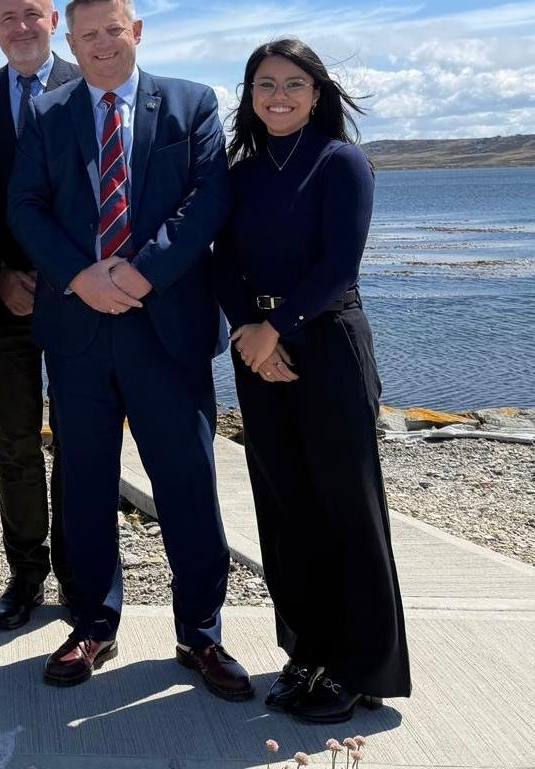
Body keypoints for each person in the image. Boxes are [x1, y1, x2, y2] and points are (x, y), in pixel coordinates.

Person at [9, 0, 251, 699]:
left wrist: (141, 276)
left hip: (165, 327)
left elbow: (208, 198)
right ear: (70, 42)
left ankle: (200, 635)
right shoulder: (48, 114)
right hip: (78, 332)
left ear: (136, 29)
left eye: (112, 31)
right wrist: (80, 277)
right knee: (83, 485)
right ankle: (91, 625)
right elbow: (25, 204)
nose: (101, 45)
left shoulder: (190, 102)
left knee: (186, 485)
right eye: (87, 37)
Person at [213, 38, 411, 724]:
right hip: (258, 352)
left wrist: (278, 328)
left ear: (317, 93)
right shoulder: (240, 172)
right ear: (249, 94)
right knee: (285, 507)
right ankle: (308, 651)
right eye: (264, 83)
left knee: (346, 508)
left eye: (293, 84)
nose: (278, 95)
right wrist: (248, 330)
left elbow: (338, 265)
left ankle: (363, 668)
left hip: (326, 345)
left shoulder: (342, 163)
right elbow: (221, 265)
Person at [0, 0, 81, 629]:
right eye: (8, 18)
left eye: (32, 14)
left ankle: (82, 576)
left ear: (54, 20)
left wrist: (65, 275)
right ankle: (26, 574)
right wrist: (1, 273)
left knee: (80, 441)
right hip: (5, 302)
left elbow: (99, 197)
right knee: (15, 442)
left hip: (78, 298)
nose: (21, 26)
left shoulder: (90, 88)